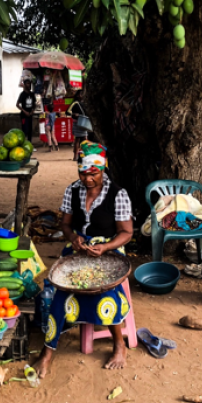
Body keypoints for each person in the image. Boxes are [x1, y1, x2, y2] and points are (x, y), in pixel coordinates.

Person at [34, 141, 134, 378]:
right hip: (79, 246)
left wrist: (105, 246)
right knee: (60, 289)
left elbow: (127, 233)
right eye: (83, 173)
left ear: (103, 168)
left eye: (94, 173)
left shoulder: (117, 194)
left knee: (103, 288)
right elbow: (66, 224)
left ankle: (119, 344)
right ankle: (47, 353)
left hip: (109, 249)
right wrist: (73, 238)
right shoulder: (72, 190)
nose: (88, 179)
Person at [71, 89, 92, 161]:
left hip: (84, 123)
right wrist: (75, 115)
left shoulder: (84, 103)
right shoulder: (75, 103)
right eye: (81, 94)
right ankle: (75, 156)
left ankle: (85, 155)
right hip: (77, 123)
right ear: (77, 95)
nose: (82, 95)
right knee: (78, 139)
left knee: (84, 139)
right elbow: (69, 112)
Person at [17, 79, 36, 148]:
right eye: (27, 84)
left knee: (30, 130)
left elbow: (34, 104)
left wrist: (33, 111)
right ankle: (23, 144)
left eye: (30, 84)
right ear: (24, 85)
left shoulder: (32, 94)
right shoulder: (22, 94)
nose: (29, 85)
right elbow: (17, 104)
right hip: (24, 116)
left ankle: (29, 144)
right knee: (25, 130)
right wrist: (24, 111)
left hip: (30, 115)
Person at [42, 83, 59, 152]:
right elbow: (58, 114)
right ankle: (57, 147)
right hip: (52, 126)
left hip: (47, 126)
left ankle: (50, 148)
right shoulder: (54, 113)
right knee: (53, 136)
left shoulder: (47, 113)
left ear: (47, 108)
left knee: (48, 137)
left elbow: (42, 113)